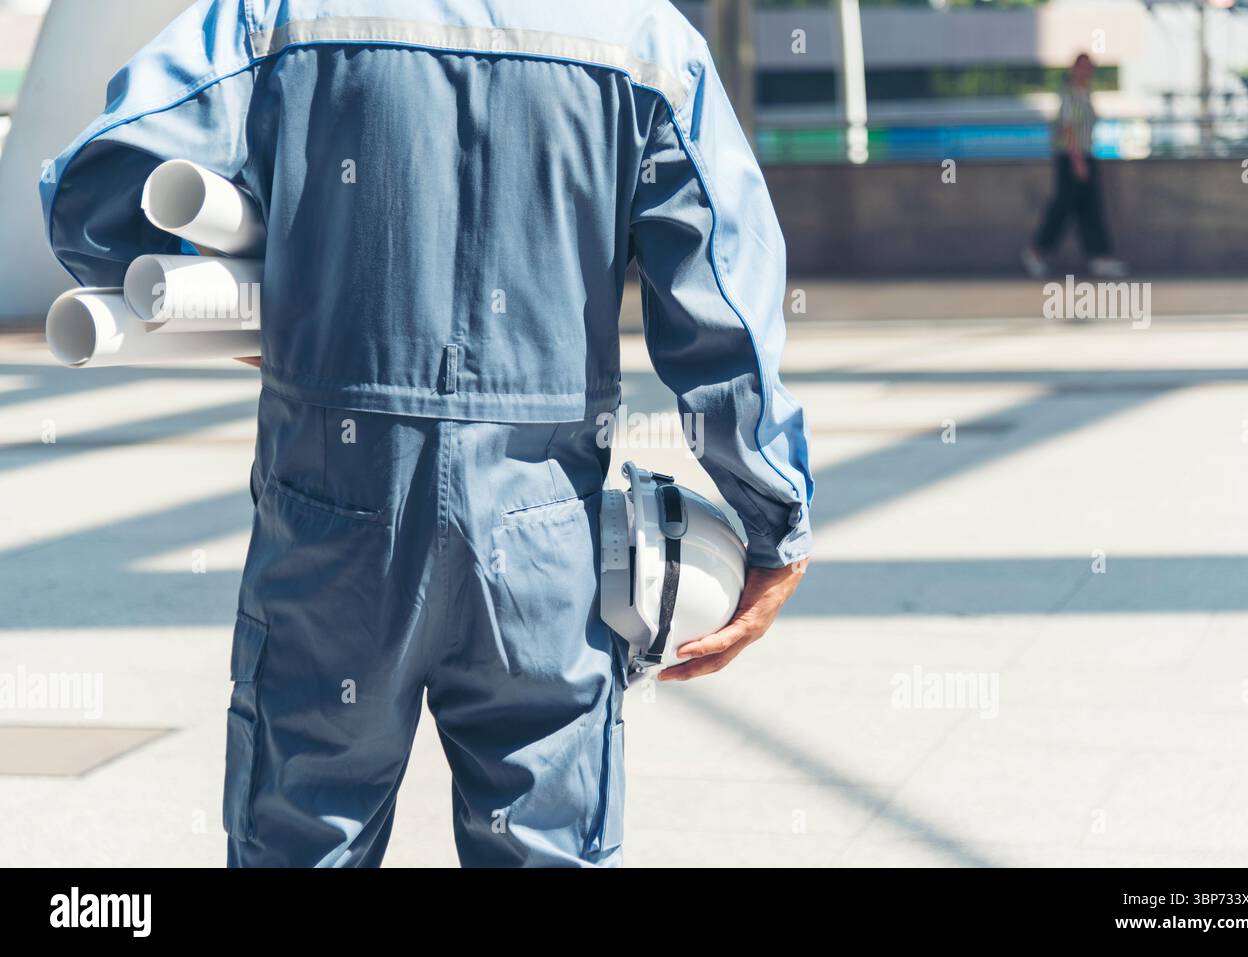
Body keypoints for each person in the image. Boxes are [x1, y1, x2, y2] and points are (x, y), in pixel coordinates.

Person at [39, 0, 813, 867]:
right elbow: (724, 305)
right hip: (543, 533)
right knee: (547, 847)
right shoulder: (644, 37)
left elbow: (94, 187)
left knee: (303, 838)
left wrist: (244, 306)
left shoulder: (276, 16)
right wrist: (773, 517)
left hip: (333, 512)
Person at [1022, 53, 1128, 279]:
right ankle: (1037, 251)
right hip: (1072, 157)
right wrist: (1077, 160)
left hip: (1084, 155)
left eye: (1090, 68)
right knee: (1063, 206)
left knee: (1090, 208)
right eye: (1083, 67)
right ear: (1074, 69)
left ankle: (1100, 257)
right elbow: (1068, 127)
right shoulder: (1070, 94)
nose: (1086, 72)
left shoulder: (1085, 93)